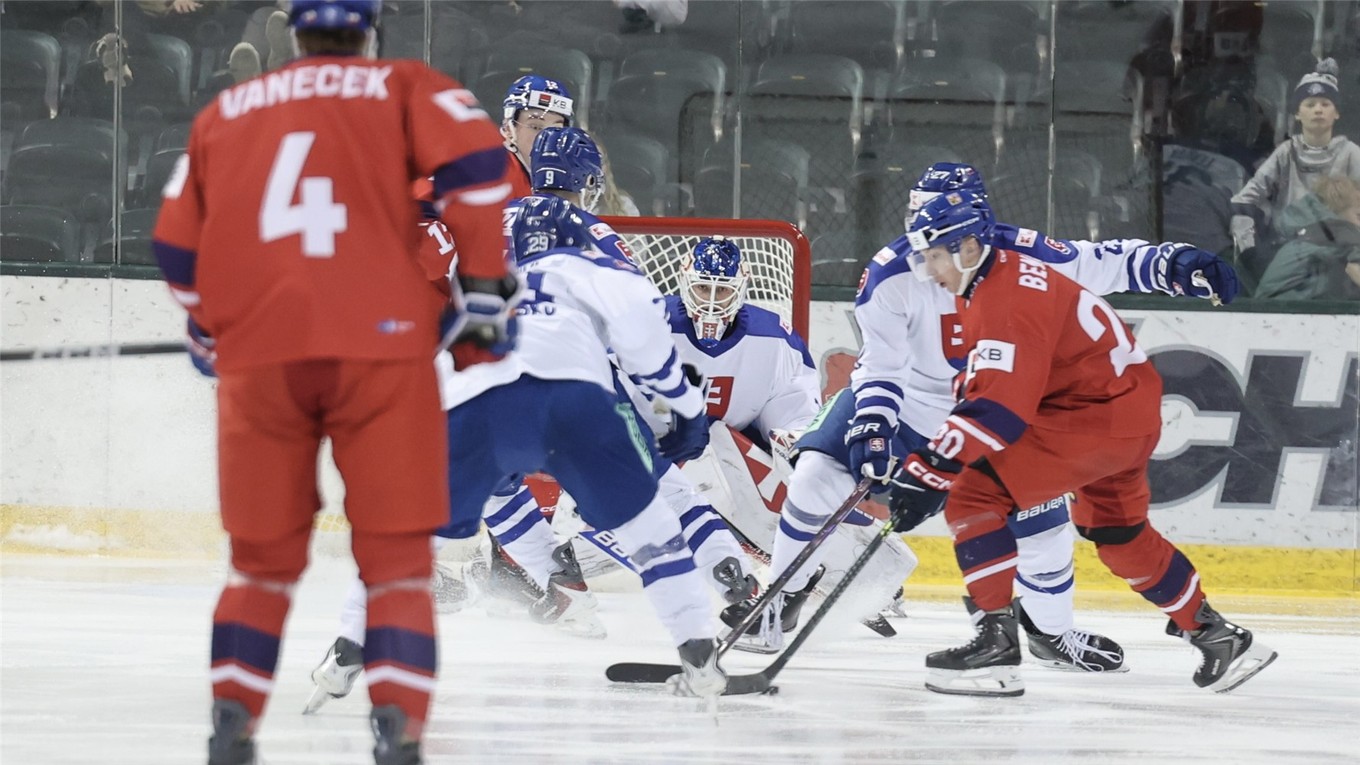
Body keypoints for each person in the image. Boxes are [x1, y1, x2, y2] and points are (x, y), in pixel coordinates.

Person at [150, 2, 520, 762]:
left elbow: (175, 245)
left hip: (265, 363)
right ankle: (399, 732)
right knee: (397, 565)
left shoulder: (228, 109)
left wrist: (206, 326)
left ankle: (232, 728)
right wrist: (484, 288)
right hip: (381, 357)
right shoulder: (405, 87)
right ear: (370, 29)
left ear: (294, 32)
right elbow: (483, 168)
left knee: (258, 565)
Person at [724, 162, 1241, 665]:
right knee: (814, 475)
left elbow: (1100, 261)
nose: (925, 248)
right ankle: (778, 600)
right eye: (919, 223)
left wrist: (1172, 263)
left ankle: (1051, 633)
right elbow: (881, 365)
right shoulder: (889, 274)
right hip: (911, 403)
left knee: (1043, 531)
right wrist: (875, 424)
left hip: (996, 414)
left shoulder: (1021, 258)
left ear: (973, 229)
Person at [896, 190, 1276, 697]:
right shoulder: (1000, 273)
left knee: (974, 495)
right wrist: (945, 449)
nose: (929, 271)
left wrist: (932, 466)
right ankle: (1218, 636)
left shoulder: (1003, 298)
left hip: (1090, 418)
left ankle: (995, 649)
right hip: (1124, 414)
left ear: (967, 248)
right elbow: (993, 385)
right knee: (1120, 535)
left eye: (935, 257)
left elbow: (1000, 409)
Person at [441, 193, 727, 697]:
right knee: (651, 519)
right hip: (578, 402)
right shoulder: (595, 265)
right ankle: (700, 646)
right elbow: (647, 351)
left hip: (486, 403)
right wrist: (687, 411)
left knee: (454, 511)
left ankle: (351, 645)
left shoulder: (474, 271)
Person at [1231, 59, 1360, 262]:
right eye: (1310, 105)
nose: (1318, 110)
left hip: (1338, 252)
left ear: (1336, 113)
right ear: (1298, 114)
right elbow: (1248, 197)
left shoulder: (1351, 153)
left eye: (1325, 104)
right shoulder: (1286, 152)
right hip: (1287, 248)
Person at [1254, 175, 1360, 300]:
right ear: (1335, 213)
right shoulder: (1336, 242)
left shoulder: (1306, 241)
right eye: (1359, 216)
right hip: (1284, 310)